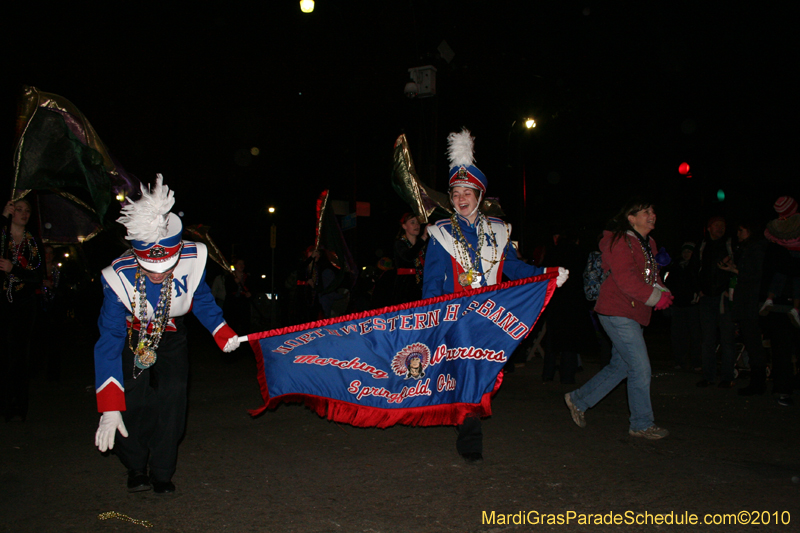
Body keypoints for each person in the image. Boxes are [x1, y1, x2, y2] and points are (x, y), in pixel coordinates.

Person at [422, 128, 568, 463]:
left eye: (467, 191)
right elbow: (432, 282)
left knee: (484, 374)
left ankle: (466, 416)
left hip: (489, 316)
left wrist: (548, 275)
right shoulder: (440, 234)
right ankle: (469, 433)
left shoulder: (499, 231)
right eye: (455, 191)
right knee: (467, 373)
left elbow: (515, 269)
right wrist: (432, 315)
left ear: (479, 194)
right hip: (455, 316)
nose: (460, 198)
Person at [93, 176, 241, 494]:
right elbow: (109, 337)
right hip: (133, 338)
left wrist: (221, 330)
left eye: (166, 269)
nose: (159, 275)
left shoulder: (190, 258)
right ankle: (135, 467)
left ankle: (162, 470)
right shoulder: (116, 276)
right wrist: (108, 404)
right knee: (132, 402)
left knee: (173, 398)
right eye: (151, 269)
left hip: (172, 335)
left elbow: (199, 298)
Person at [564, 198, 673, 440]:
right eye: (645, 211)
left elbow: (648, 277)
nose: (651, 214)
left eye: (653, 210)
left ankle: (578, 399)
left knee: (622, 366)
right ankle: (641, 423)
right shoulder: (620, 240)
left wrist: (663, 291)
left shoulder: (649, 243)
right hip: (616, 310)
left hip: (633, 311)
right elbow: (626, 280)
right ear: (631, 218)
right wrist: (655, 297)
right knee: (640, 367)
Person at [1, 198, 44, 422]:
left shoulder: (32, 242)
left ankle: (19, 405)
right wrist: (3, 218)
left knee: (20, 355)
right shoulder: (3, 237)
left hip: (24, 306)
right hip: (3, 304)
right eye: (18, 209)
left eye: (27, 210)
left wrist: (14, 269)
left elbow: (37, 275)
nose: (24, 214)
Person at [717, 220, 769, 395]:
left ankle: (758, 383)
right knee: (751, 341)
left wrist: (737, 271)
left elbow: (754, 275)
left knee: (753, 342)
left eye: (741, 230)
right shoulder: (750, 248)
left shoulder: (756, 248)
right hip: (747, 303)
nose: (738, 234)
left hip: (751, 304)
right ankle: (758, 382)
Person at [695, 216, 737, 388]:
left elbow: (737, 267)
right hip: (706, 298)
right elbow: (695, 269)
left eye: (723, 226)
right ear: (709, 228)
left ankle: (727, 377)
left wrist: (730, 288)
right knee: (708, 340)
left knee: (727, 339)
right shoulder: (703, 246)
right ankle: (709, 376)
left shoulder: (730, 245)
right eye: (717, 226)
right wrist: (699, 290)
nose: (720, 229)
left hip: (723, 298)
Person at [662, 242, 701, 371]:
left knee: (695, 335)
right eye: (685, 251)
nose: (686, 254)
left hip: (693, 306)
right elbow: (667, 283)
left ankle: (696, 362)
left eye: (689, 252)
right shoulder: (675, 266)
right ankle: (680, 361)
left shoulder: (697, 266)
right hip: (677, 305)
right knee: (678, 336)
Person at [392, 213, 428, 304]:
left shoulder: (423, 245)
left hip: (421, 285)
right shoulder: (400, 243)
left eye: (418, 223)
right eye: (412, 222)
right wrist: (423, 237)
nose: (416, 225)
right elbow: (409, 256)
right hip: (405, 286)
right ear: (404, 226)